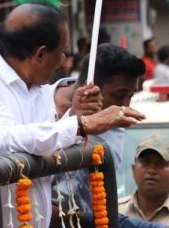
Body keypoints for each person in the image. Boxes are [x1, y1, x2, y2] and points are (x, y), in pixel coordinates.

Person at [0, 4, 145, 228]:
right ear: (40, 55)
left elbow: (44, 143)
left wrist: (72, 117)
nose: (64, 61)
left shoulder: (39, 88)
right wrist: (80, 124)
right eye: (61, 53)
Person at [52, 44, 146, 221]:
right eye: (119, 96)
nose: (125, 107)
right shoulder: (34, 102)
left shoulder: (114, 125)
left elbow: (65, 197)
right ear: (91, 85)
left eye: (131, 96)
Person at [119, 133, 169, 228]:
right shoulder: (111, 212)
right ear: (133, 169)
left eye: (160, 163)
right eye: (145, 162)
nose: (151, 170)